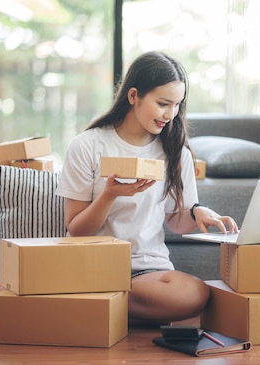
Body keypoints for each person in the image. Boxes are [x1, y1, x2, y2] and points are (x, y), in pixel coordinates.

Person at [55, 51, 238, 325]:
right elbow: (78, 230)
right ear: (133, 96)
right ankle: (105, 308)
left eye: (177, 105)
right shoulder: (87, 145)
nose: (171, 114)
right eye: (163, 103)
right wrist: (109, 194)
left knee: (193, 294)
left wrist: (198, 213)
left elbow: (176, 223)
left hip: (148, 271)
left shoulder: (176, 153)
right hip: (93, 265)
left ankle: (89, 307)